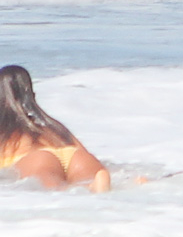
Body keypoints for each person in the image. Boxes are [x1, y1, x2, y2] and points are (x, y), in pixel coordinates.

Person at [0, 65, 110, 193]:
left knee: (55, 189)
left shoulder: (4, 131)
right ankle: (94, 185)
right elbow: (80, 149)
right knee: (90, 181)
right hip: (74, 155)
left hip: (38, 160)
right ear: (32, 94)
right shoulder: (53, 127)